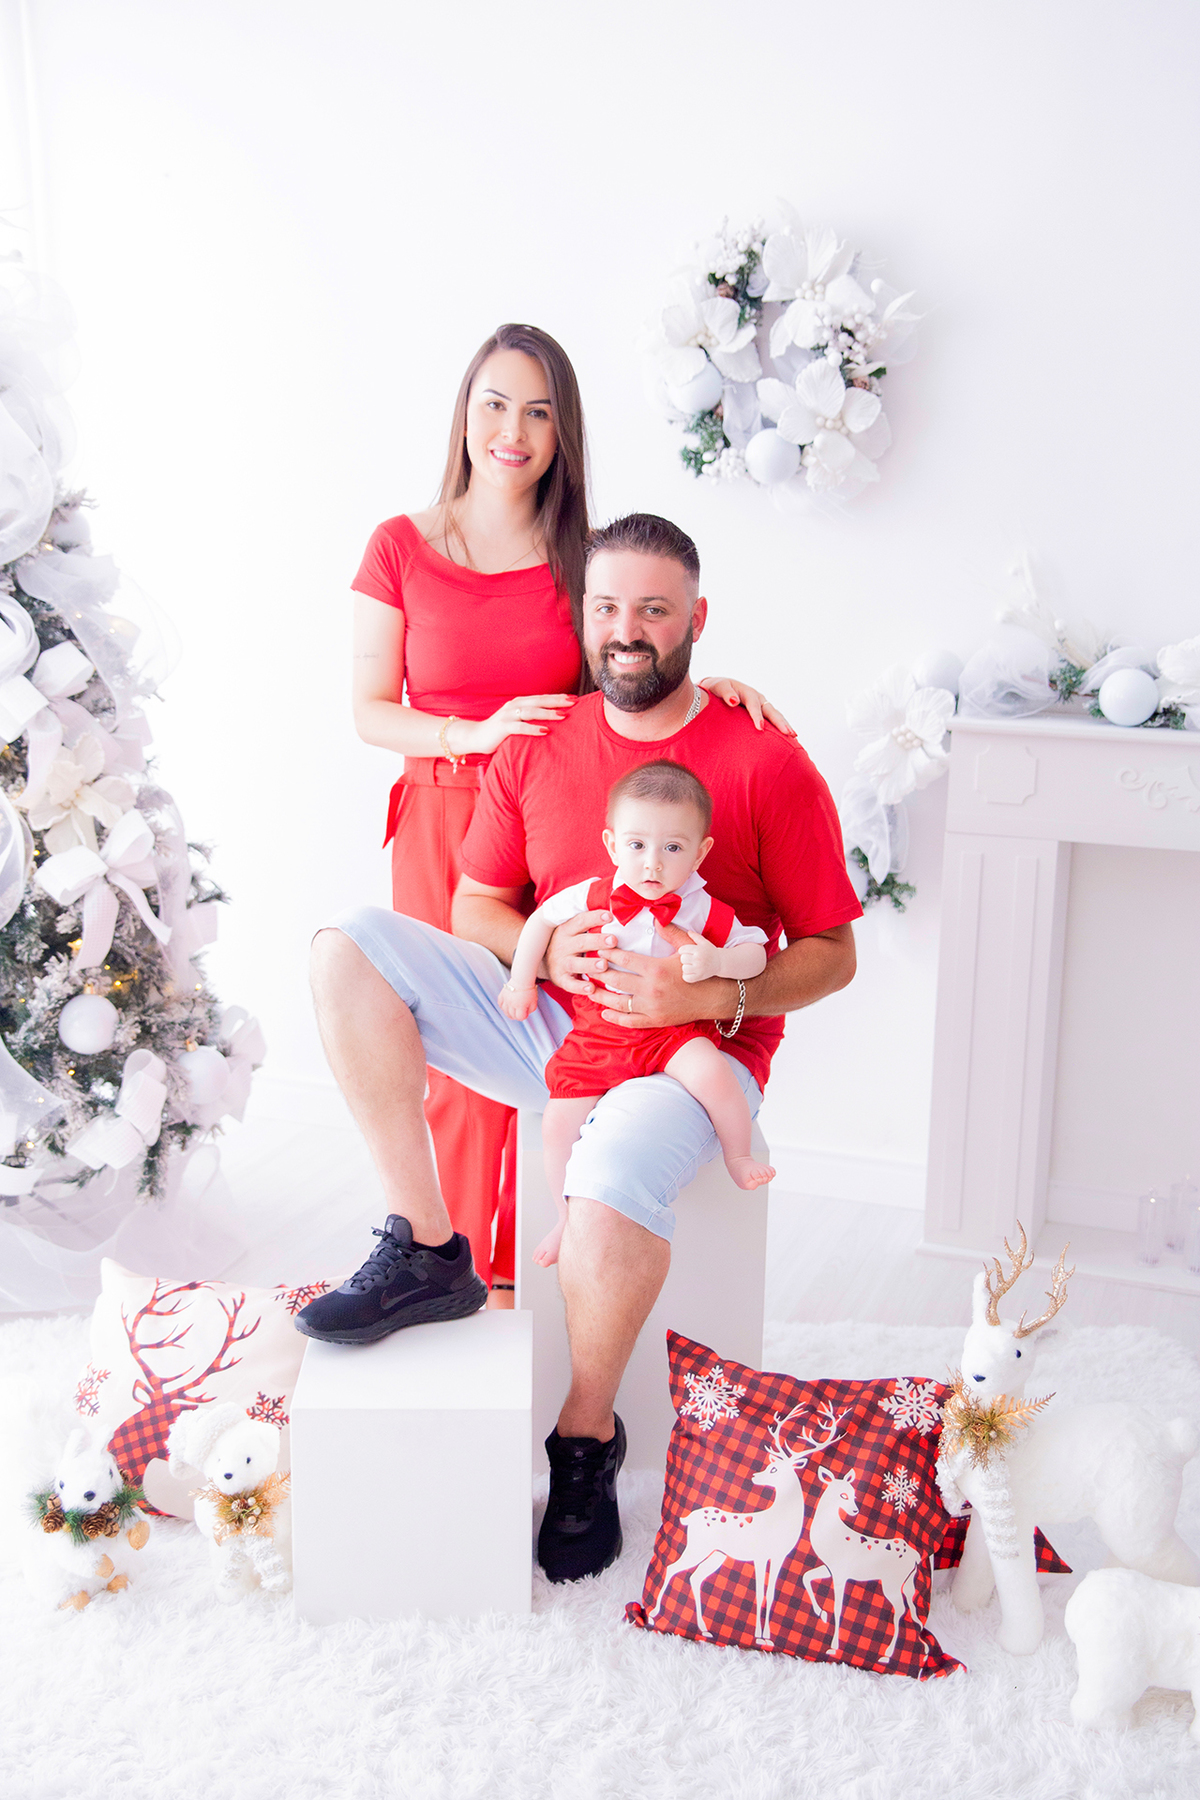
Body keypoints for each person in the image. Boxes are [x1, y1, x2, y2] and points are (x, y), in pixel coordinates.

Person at [300, 511, 860, 1583]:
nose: (628, 631)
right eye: (607, 608)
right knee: (347, 951)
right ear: (583, 617)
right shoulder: (542, 746)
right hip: (559, 1031)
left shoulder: (764, 760)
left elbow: (832, 955)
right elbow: (474, 905)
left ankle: (587, 1437)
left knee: (600, 1182)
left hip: (693, 1051)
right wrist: (544, 962)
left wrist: (714, 987)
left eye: (655, 610)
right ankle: (426, 1245)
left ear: (698, 619)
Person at [350, 323, 795, 1304]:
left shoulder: (575, 553)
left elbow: (629, 650)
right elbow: (368, 711)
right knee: (441, 1052)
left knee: (550, 1040)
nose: (514, 429)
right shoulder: (400, 545)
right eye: (496, 404)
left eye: (540, 411)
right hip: (440, 814)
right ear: (466, 413)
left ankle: (520, 1272)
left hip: (557, 820)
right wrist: (477, 734)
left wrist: (707, 684)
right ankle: (443, 1259)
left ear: (563, 433)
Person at [498, 760, 774, 1271]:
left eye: (673, 848)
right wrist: (521, 982)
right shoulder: (595, 895)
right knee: (558, 1122)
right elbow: (538, 922)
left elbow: (755, 951)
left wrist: (716, 961)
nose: (652, 864)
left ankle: (739, 1155)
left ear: (700, 852)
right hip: (600, 1031)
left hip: (672, 1032)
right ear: (611, 845)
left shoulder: (700, 907)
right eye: (637, 845)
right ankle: (563, 1217)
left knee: (713, 1074)